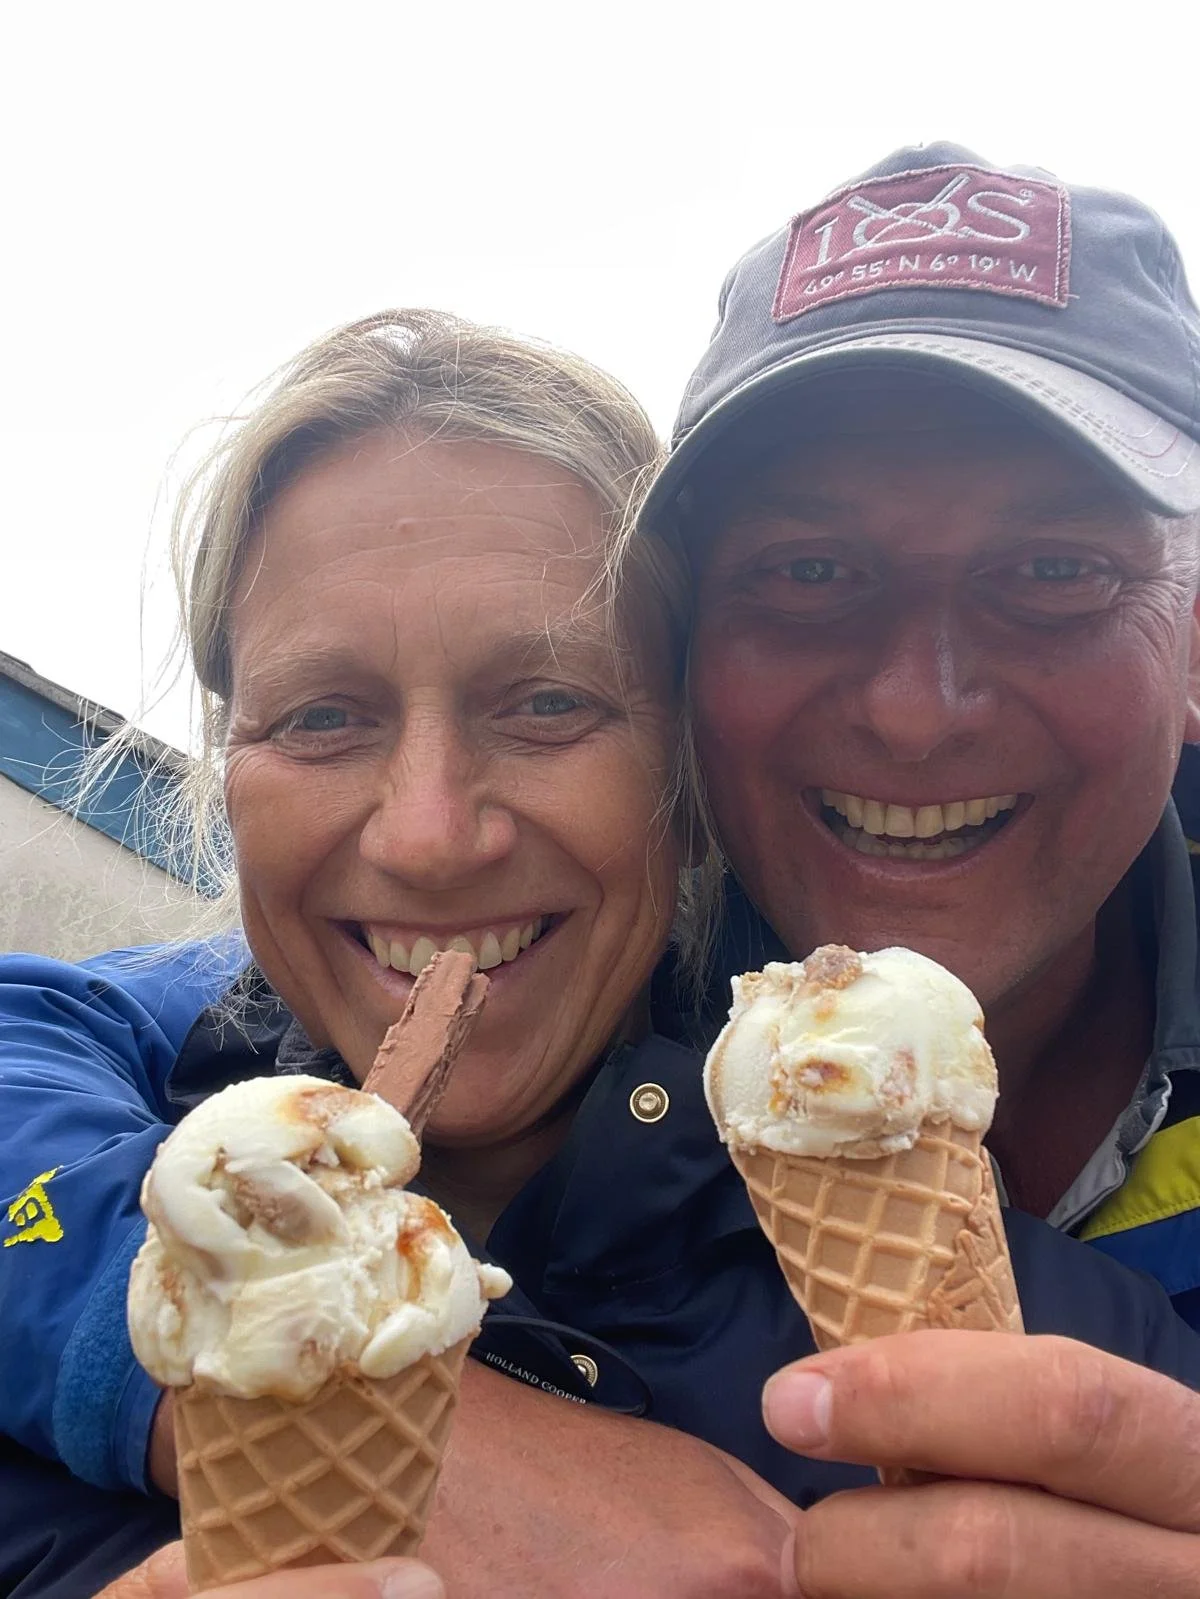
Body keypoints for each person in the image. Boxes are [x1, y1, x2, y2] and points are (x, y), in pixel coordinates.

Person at [5, 147, 1200, 1599]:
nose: (427, 836)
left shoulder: (1092, 1352)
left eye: (548, 702)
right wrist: (315, 1397)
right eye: (320, 717)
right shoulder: (158, 1085)